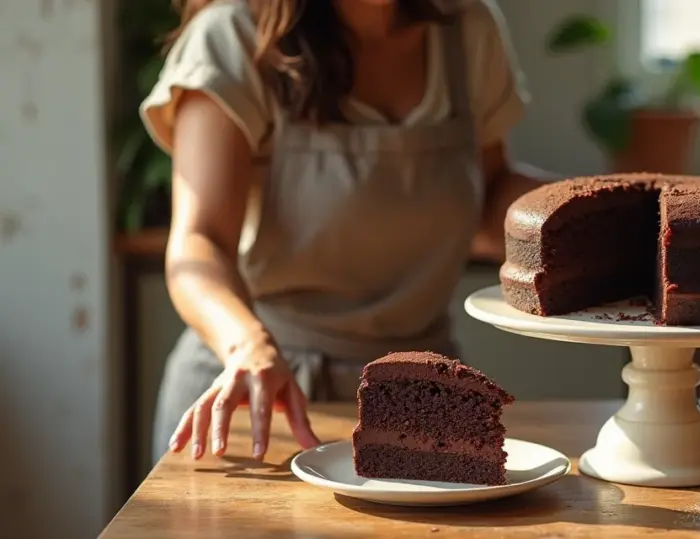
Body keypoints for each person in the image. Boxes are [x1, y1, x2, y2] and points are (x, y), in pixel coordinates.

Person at [141, 0, 549, 465]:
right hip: (256, 392)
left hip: (420, 399)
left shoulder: (468, 29)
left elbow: (491, 195)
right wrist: (248, 345)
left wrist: (602, 214)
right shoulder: (234, 38)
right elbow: (200, 242)